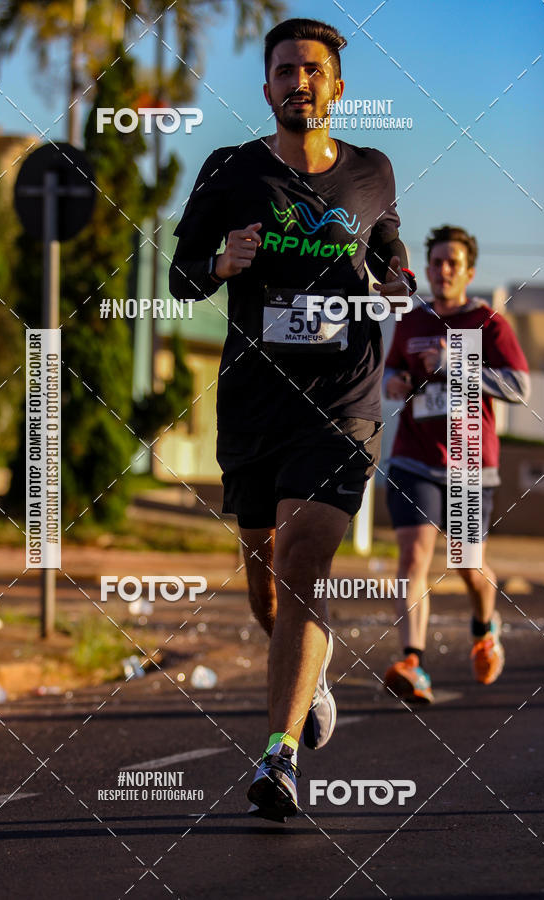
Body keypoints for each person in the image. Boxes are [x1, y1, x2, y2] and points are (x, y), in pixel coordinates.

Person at [170, 17, 415, 821]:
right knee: (266, 581)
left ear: (336, 87)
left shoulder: (372, 170)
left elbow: (389, 249)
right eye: (284, 70)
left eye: (312, 70)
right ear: (267, 87)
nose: (298, 82)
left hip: (342, 401)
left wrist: (397, 278)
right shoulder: (230, 170)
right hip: (253, 402)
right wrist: (221, 262)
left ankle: (278, 760)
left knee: (303, 559)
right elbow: (180, 277)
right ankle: (311, 675)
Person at [383, 225, 530, 703]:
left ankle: (485, 627)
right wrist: (394, 382)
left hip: (469, 462)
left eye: (453, 263)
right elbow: (392, 369)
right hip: (414, 458)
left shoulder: (488, 323)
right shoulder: (412, 320)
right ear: (427, 269)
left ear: (468, 272)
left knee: (467, 563)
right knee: (413, 557)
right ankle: (413, 662)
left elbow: (519, 386)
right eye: (436, 262)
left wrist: (456, 363)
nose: (443, 270)